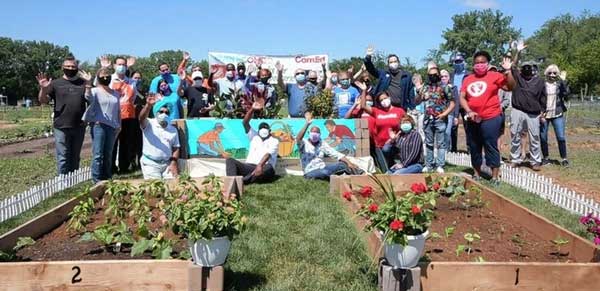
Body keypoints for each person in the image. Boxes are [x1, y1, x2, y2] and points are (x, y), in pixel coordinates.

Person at [459, 51, 514, 185]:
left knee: (490, 145)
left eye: (482, 62)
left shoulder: (495, 76)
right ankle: (477, 173)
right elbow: (462, 97)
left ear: (488, 64)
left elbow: (510, 86)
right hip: (473, 118)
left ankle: (494, 176)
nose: (479, 65)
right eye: (476, 63)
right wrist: (469, 110)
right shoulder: (468, 79)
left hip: (491, 117)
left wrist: (508, 71)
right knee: (474, 146)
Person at [37, 56, 88, 175]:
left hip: (79, 125)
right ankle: (62, 183)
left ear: (77, 68)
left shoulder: (83, 83)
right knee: (63, 157)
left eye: (73, 67)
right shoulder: (55, 83)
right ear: (62, 68)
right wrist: (43, 89)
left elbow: (91, 100)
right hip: (61, 125)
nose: (71, 68)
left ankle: (72, 182)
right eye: (68, 66)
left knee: (75, 157)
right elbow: (43, 100)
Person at [508, 41, 546, 171]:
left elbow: (543, 97)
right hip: (517, 110)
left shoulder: (540, 81)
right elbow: (513, 65)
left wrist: (543, 111)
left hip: (533, 113)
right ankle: (515, 159)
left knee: (534, 137)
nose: (527, 69)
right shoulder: (519, 78)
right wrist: (518, 52)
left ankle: (535, 161)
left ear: (534, 69)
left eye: (530, 67)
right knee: (515, 134)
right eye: (525, 67)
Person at [99, 55, 138, 173]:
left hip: (128, 116)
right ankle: (111, 167)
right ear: (114, 66)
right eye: (119, 64)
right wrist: (103, 68)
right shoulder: (109, 79)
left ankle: (124, 167)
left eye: (124, 65)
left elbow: (134, 97)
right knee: (112, 143)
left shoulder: (132, 82)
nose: (121, 67)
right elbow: (98, 87)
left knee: (126, 143)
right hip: (113, 116)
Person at [357, 80, 406, 172]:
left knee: (394, 161)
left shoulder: (399, 111)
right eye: (381, 100)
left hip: (396, 143)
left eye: (385, 98)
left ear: (389, 98)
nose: (384, 101)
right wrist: (364, 91)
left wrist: (396, 136)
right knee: (385, 170)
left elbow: (407, 124)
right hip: (379, 145)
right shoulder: (376, 111)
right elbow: (363, 106)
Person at [82, 68, 121, 183]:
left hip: (112, 126)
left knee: (108, 153)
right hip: (99, 125)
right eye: (103, 75)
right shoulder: (95, 91)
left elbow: (118, 111)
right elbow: (87, 97)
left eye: (107, 75)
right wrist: (88, 84)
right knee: (98, 153)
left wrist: (119, 125)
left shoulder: (116, 94)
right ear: (98, 78)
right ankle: (96, 179)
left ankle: (107, 177)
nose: (105, 77)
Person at [415, 63, 455, 173]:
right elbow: (417, 101)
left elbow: (452, 103)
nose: (433, 76)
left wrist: (444, 114)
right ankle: (429, 164)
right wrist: (419, 94)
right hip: (428, 119)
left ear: (438, 75)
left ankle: (440, 165)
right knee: (429, 142)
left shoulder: (445, 87)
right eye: (430, 75)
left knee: (441, 143)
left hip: (440, 119)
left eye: (435, 74)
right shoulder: (425, 88)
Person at [225, 103, 279, 184]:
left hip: (264, 167)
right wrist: (252, 109)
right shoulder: (254, 136)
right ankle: (232, 182)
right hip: (250, 166)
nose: (264, 131)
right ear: (258, 130)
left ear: (270, 131)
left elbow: (268, 155)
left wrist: (260, 166)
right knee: (230, 161)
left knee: (268, 168)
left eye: (266, 129)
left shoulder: (274, 141)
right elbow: (245, 122)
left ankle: (243, 181)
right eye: (262, 129)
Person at [296, 112, 359, 180]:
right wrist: (307, 124)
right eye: (313, 132)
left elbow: (335, 153)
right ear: (309, 133)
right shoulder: (304, 143)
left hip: (323, 167)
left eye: (317, 132)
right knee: (325, 172)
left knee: (343, 164)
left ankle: (359, 174)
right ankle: (336, 176)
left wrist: (349, 163)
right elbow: (298, 138)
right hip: (310, 172)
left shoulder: (321, 143)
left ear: (320, 134)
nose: (315, 134)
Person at [139, 94, 180, 179]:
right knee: (155, 189)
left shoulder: (173, 129)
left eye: (166, 112)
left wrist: (173, 162)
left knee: (173, 186)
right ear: (156, 113)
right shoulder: (149, 123)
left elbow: (176, 147)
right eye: (161, 112)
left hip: (167, 164)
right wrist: (148, 106)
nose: (164, 114)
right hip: (150, 163)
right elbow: (141, 118)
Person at [363, 45, 414, 111]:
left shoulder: (407, 76)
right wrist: (368, 57)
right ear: (388, 64)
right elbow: (371, 69)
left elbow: (411, 93)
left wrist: (412, 107)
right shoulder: (383, 74)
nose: (393, 63)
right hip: (385, 107)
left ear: (398, 62)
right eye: (391, 62)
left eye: (395, 61)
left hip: (401, 108)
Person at [540, 65, 571, 167]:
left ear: (557, 74)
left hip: (557, 113)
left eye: (554, 73)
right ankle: (546, 158)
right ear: (546, 74)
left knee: (561, 137)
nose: (552, 75)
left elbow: (566, 94)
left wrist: (563, 81)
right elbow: (537, 98)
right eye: (550, 73)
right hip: (545, 114)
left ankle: (564, 158)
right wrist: (540, 113)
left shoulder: (559, 85)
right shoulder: (542, 85)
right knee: (543, 137)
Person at [450, 53, 470, 152]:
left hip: (466, 103)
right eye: (456, 62)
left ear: (464, 62)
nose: (458, 63)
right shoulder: (451, 75)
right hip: (454, 104)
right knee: (453, 127)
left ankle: (470, 149)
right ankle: (453, 149)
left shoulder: (468, 74)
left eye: (460, 61)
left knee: (468, 127)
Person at [440, 69, 459, 153]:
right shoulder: (437, 87)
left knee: (447, 132)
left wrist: (456, 116)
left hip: (450, 113)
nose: (443, 78)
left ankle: (447, 150)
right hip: (440, 113)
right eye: (442, 76)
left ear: (449, 77)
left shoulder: (453, 87)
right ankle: (441, 150)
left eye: (445, 76)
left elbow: (456, 102)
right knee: (441, 132)